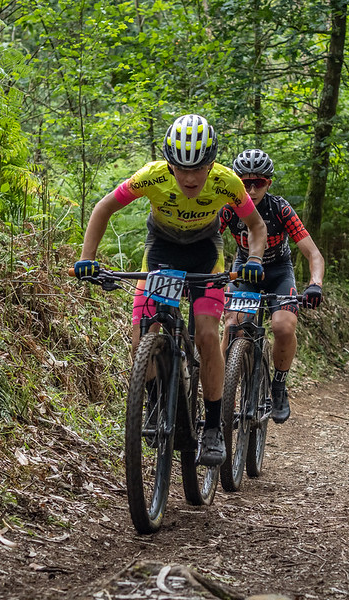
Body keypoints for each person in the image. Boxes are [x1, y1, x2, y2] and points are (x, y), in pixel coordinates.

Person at [74, 115, 267, 466]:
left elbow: (256, 226)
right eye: (181, 169)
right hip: (161, 252)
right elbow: (104, 208)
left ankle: (211, 427)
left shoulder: (227, 183)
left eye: (200, 168)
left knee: (208, 335)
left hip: (205, 255)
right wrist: (87, 258)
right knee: (141, 335)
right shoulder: (152, 177)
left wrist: (254, 259)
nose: (191, 178)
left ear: (212, 163)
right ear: (169, 163)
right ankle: (153, 401)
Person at [219, 149, 324, 424]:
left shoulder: (280, 209)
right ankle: (219, 388)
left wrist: (315, 284)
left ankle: (278, 386)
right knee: (232, 324)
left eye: (259, 183)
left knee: (283, 326)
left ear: (269, 183)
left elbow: (313, 254)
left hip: (278, 272)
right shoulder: (229, 208)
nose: (252, 190)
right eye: (245, 183)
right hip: (245, 271)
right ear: (235, 182)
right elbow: (207, 242)